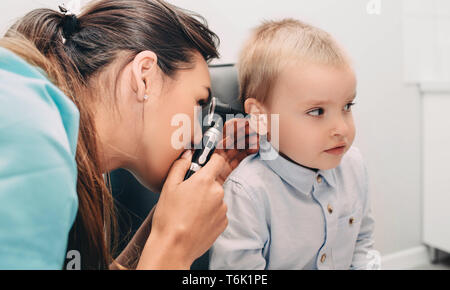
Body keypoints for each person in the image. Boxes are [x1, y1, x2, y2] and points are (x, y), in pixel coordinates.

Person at [0, 0, 257, 270]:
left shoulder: (66, 159)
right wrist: (175, 244)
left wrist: (171, 220)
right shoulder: (36, 142)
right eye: (198, 103)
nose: (196, 135)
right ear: (145, 75)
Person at [209, 19, 380, 270]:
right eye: (317, 111)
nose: (342, 129)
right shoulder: (247, 192)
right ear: (261, 117)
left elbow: (362, 244)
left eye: (347, 106)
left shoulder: (353, 165)